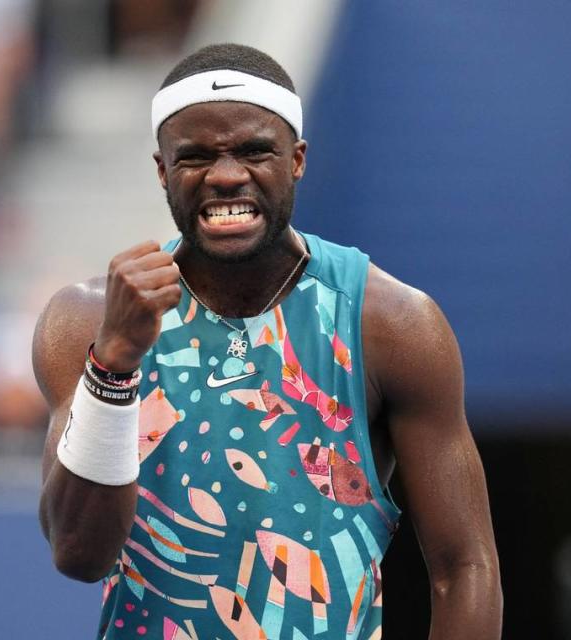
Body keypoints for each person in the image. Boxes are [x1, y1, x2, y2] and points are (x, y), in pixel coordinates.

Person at [34, 43, 502, 639]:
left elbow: (465, 567)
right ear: (162, 171)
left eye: (255, 151)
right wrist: (116, 362)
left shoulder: (389, 323)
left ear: (298, 159)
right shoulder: (88, 321)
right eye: (196, 156)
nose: (227, 175)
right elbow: (79, 554)